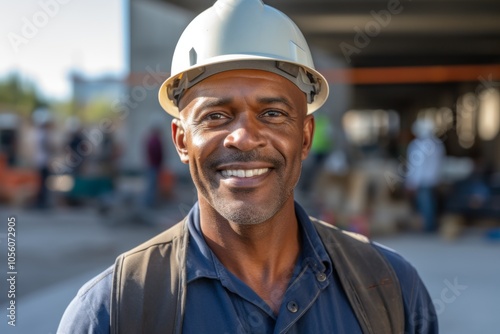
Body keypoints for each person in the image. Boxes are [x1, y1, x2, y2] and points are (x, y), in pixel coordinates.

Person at [58, 0, 437, 333]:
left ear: (305, 137)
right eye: (216, 115)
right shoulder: (114, 312)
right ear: (181, 141)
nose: (243, 137)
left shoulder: (389, 289)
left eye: (272, 113)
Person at [405, 118, 445, 232]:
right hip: (433, 179)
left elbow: (418, 167)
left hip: (422, 181)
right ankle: (430, 225)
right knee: (431, 203)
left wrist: (412, 183)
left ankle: (428, 227)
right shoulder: (437, 144)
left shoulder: (418, 145)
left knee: (425, 204)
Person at [143, 126, 164, 208]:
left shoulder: (151, 140)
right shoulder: (155, 141)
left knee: (152, 184)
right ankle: (150, 202)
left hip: (153, 165)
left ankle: (150, 201)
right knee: (152, 184)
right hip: (154, 165)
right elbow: (157, 153)